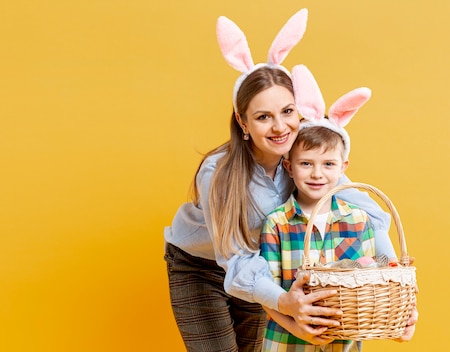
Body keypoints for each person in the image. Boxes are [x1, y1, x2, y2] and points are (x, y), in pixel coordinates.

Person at [163, 10, 404, 352]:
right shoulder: (218, 173)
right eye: (263, 117)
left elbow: (371, 217)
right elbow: (236, 261)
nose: (280, 127)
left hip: (261, 269)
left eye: (288, 112)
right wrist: (287, 309)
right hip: (201, 268)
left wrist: (390, 276)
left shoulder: (304, 163)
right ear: (242, 122)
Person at [259, 65, 417, 351]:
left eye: (328, 164)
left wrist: (402, 312)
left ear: (343, 168)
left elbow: (378, 276)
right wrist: (297, 328)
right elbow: (267, 294)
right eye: (306, 163)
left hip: (342, 344)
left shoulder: (358, 220)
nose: (317, 174)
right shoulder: (276, 223)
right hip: (286, 343)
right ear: (289, 167)